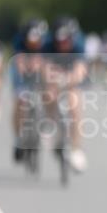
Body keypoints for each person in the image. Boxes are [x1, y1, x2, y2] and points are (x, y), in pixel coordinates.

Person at [45, 17, 89, 172]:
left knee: (75, 104)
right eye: (60, 41)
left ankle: (76, 150)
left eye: (66, 40)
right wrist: (53, 82)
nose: (64, 44)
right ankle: (50, 123)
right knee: (49, 94)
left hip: (71, 74)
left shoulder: (79, 43)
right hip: (54, 72)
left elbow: (80, 69)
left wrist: (69, 80)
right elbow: (46, 69)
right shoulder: (48, 44)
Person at [11, 19, 50, 162]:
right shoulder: (19, 41)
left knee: (49, 95)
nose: (34, 44)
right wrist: (26, 67)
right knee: (21, 100)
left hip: (41, 73)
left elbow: (48, 62)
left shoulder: (47, 42)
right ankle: (18, 137)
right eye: (31, 42)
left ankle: (45, 128)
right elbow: (18, 61)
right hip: (23, 75)